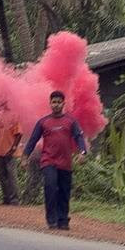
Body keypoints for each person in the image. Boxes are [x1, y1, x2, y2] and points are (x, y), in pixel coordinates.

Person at [23, 90, 89, 230]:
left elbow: (78, 137)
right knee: (50, 187)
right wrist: (25, 157)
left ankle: (63, 220)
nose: (56, 105)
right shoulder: (43, 122)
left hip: (65, 163)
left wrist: (82, 152)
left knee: (64, 192)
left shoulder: (71, 121)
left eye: (59, 102)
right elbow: (33, 140)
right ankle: (51, 220)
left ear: (63, 103)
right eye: (54, 102)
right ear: (50, 103)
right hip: (48, 161)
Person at [0, 99, 26, 205]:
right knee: (2, 176)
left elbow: (19, 133)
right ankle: (6, 198)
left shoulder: (15, 115)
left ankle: (14, 199)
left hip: (10, 152)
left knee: (11, 175)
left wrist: (13, 148)